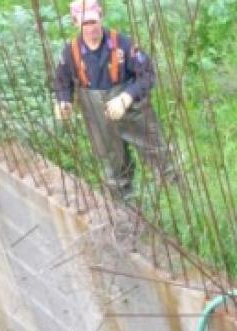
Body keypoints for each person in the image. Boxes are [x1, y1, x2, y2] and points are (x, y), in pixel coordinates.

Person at [53, 0, 175, 202]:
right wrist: (63, 101)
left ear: (101, 16)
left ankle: (175, 196)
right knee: (112, 164)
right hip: (97, 115)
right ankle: (125, 207)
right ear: (76, 22)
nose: (91, 27)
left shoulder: (124, 44)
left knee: (158, 152)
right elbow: (62, 81)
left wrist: (126, 97)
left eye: (94, 21)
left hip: (132, 110)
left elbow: (147, 74)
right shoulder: (70, 52)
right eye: (85, 23)